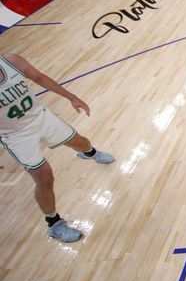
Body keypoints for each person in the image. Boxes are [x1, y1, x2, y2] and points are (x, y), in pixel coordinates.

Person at [0, 54, 115, 242]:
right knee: (44, 175)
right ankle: (54, 224)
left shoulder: (12, 61)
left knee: (81, 142)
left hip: (40, 117)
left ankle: (89, 153)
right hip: (15, 135)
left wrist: (72, 97)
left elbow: (40, 78)